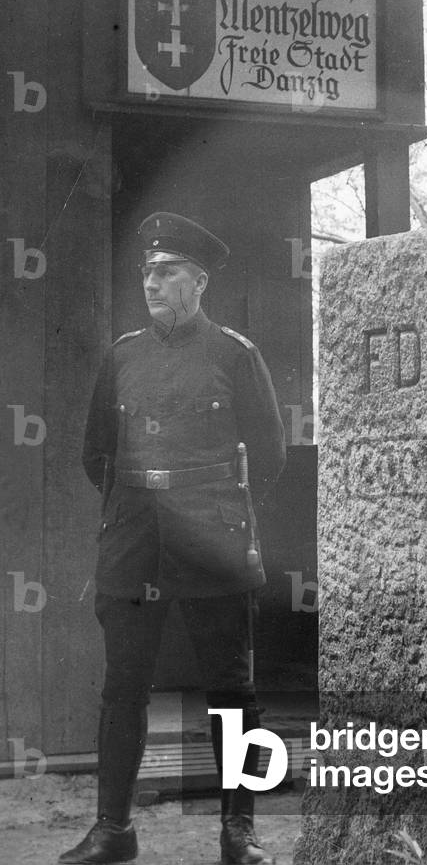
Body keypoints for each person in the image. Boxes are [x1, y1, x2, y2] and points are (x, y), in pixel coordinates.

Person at [60, 212, 286, 865]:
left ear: (200, 280)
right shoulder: (122, 355)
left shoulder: (234, 355)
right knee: (123, 683)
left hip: (212, 537)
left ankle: (237, 833)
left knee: (230, 687)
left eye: (167, 272)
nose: (151, 282)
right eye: (146, 272)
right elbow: (95, 453)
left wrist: (217, 513)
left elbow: (268, 457)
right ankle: (113, 829)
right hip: (133, 539)